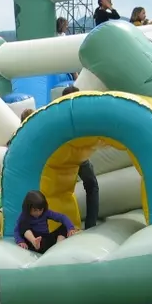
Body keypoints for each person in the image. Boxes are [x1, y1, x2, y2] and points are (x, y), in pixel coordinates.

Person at [62, 85, 100, 229]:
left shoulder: (59, 112)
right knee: (92, 186)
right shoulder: (81, 111)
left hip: (61, 158)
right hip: (78, 157)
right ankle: (90, 224)